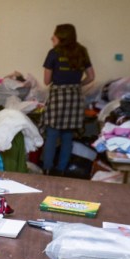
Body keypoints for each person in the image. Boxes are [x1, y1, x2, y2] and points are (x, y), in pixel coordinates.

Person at [40, 23, 95, 176]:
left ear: (61, 36)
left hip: (58, 96)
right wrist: (77, 84)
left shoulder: (53, 53)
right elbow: (91, 76)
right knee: (67, 135)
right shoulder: (82, 51)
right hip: (75, 96)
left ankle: (47, 169)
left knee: (52, 134)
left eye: (55, 34)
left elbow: (46, 80)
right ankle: (61, 170)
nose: (52, 37)